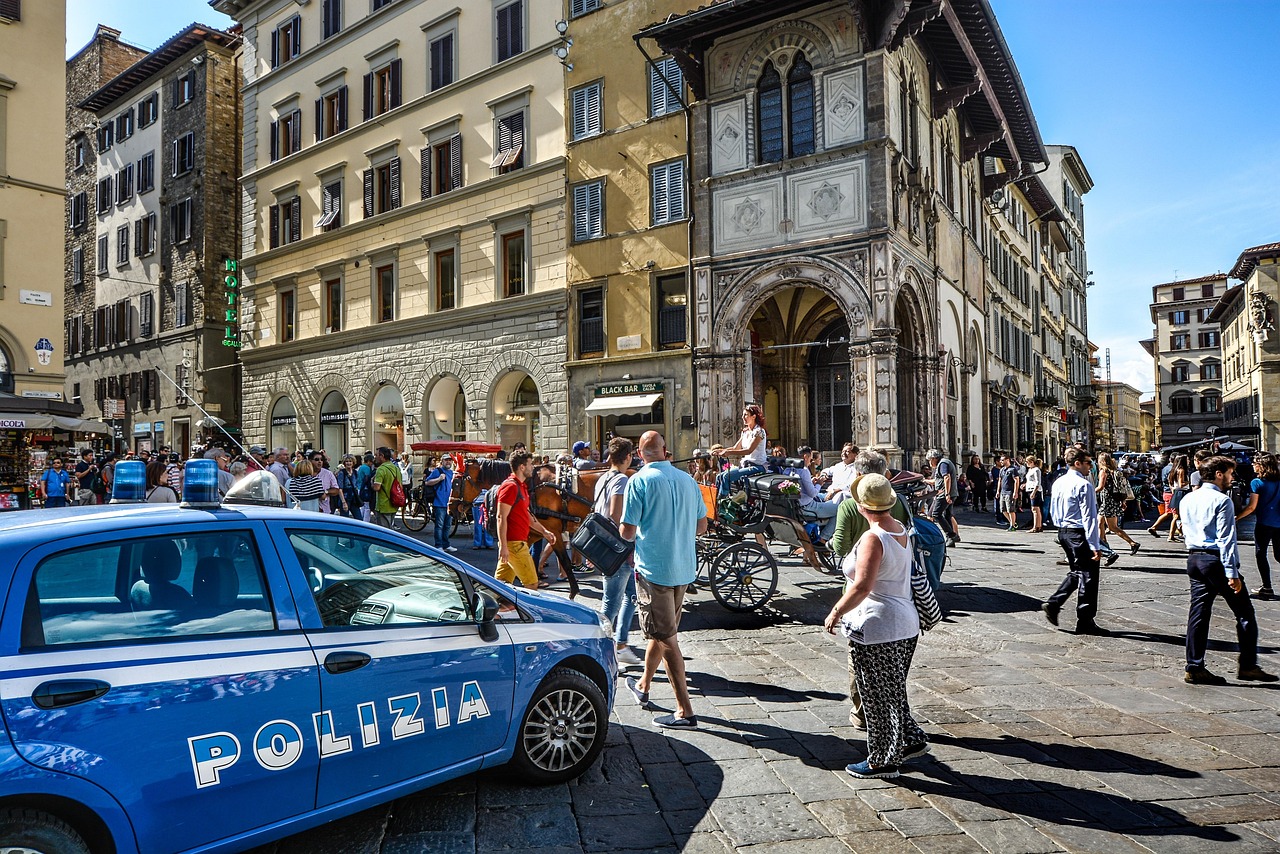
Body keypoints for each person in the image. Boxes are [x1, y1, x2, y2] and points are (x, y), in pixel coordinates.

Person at [823, 473, 928, 779]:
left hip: (878, 627)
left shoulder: (874, 537)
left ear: (861, 506)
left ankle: (883, 760)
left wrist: (836, 611)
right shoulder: (899, 529)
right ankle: (910, 738)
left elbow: (862, 586)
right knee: (892, 689)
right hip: (905, 623)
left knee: (876, 695)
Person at [621, 431, 708, 729]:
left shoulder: (639, 481)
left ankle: (685, 711)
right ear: (665, 450)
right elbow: (701, 527)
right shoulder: (688, 480)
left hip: (654, 569)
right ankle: (643, 684)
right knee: (663, 630)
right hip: (682, 568)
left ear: (639, 454)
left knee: (666, 637)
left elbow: (627, 532)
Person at [830, 449, 912, 730]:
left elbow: (841, 548)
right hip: (903, 604)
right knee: (892, 674)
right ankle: (898, 727)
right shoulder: (898, 506)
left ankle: (864, 716)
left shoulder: (849, 508)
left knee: (861, 665)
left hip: (867, 608)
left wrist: (836, 611)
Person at [1180, 455, 1276, 685]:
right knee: (1245, 612)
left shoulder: (1188, 499)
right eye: (1230, 473)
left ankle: (1194, 666)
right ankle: (1248, 666)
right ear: (1219, 474)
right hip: (1215, 561)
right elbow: (1226, 539)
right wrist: (1232, 573)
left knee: (1198, 615)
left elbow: (1185, 529)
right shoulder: (1222, 501)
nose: (1232, 478)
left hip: (1194, 558)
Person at [1042, 448, 1105, 635]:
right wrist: (1095, 544)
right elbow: (1089, 517)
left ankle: (1055, 603)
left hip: (1064, 531)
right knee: (1089, 575)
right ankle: (1085, 620)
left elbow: (1053, 509)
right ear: (1077, 463)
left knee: (1078, 571)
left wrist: (1060, 527)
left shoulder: (1059, 482)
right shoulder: (1084, 485)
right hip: (1078, 532)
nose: (1091, 466)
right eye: (1088, 463)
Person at [595, 437, 642, 666]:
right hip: (617, 549)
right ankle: (601, 650)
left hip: (604, 546)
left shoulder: (603, 478)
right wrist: (629, 544)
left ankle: (621, 644)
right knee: (610, 603)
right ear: (628, 457)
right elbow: (615, 514)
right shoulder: (622, 479)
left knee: (632, 595)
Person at [495, 450, 558, 590]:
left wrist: (544, 532)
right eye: (530, 464)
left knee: (501, 585)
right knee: (532, 584)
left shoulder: (521, 486)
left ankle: (495, 604)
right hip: (514, 544)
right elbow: (501, 517)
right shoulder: (510, 487)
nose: (533, 467)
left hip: (515, 543)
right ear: (522, 467)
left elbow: (528, 515)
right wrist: (503, 546)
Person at [1238, 452, 1280, 598]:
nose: (1252, 465)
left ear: (1261, 465)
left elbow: (1251, 507)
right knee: (1279, 555)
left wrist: (1237, 518)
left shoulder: (1256, 483)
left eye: (1255, 463)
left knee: (1261, 554)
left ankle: (1267, 587)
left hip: (1264, 523)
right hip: (1278, 523)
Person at [784, 446, 839, 543]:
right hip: (807, 505)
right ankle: (824, 537)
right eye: (810, 458)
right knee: (840, 509)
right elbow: (812, 493)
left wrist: (811, 482)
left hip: (796, 504)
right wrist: (819, 484)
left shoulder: (789, 469)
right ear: (806, 457)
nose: (811, 461)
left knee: (826, 496)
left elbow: (802, 486)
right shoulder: (804, 470)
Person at [713, 404, 768, 497]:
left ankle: (723, 501)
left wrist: (728, 452)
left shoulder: (759, 432)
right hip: (746, 465)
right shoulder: (745, 432)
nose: (743, 417)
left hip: (757, 466)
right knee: (719, 476)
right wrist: (720, 451)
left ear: (754, 416)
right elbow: (736, 448)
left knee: (726, 476)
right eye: (743, 415)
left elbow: (748, 450)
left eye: (746, 415)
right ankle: (715, 499)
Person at [1096, 452, 1139, 557]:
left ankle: (1132, 543)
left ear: (1101, 461)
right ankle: (1103, 546)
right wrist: (1123, 501)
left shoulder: (1103, 471)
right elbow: (1119, 487)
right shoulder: (1114, 471)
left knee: (1112, 527)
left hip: (1107, 502)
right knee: (1099, 523)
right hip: (1112, 501)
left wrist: (1090, 491)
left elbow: (1101, 487)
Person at [925, 449, 960, 547]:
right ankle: (951, 539)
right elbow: (937, 481)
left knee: (936, 514)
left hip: (944, 494)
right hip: (950, 493)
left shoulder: (943, 464)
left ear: (934, 458)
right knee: (947, 515)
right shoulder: (943, 463)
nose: (929, 463)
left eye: (929, 460)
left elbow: (947, 477)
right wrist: (925, 481)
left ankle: (951, 535)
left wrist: (947, 494)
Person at [425, 455, 458, 552]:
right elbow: (427, 482)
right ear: (442, 461)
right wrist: (439, 479)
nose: (448, 462)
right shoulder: (437, 471)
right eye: (446, 460)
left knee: (447, 526)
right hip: (439, 503)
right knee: (439, 526)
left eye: (450, 460)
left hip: (449, 504)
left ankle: (446, 544)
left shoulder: (452, 473)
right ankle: (438, 545)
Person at [370, 447, 401, 528]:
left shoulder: (381, 469)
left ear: (382, 456)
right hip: (394, 502)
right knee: (390, 529)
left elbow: (377, 488)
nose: (375, 457)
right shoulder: (396, 468)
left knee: (383, 531)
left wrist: (372, 482)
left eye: (376, 455)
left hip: (383, 505)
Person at [996, 455, 1021, 531]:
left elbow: (1016, 480)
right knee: (1003, 509)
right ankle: (1012, 522)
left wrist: (1015, 492)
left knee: (1010, 509)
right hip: (1003, 492)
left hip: (1010, 492)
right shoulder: (1002, 470)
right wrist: (998, 491)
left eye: (1002, 460)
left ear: (1007, 460)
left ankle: (1012, 526)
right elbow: (1000, 480)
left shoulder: (1013, 469)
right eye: (1000, 460)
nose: (1001, 461)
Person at [335, 455, 363, 519]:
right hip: (345, 497)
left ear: (353, 462)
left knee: (359, 518)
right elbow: (340, 489)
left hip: (354, 498)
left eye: (350, 461)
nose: (348, 463)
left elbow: (357, 485)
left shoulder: (355, 472)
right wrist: (343, 502)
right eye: (347, 461)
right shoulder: (341, 473)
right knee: (345, 519)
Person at [1023, 456, 1044, 532]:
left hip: (1035, 490)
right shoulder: (1030, 470)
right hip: (1030, 489)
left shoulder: (1036, 470)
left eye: (1027, 462)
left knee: (1035, 509)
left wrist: (1034, 492)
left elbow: (1038, 482)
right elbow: (1030, 480)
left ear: (1032, 462)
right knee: (1036, 509)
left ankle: (1035, 526)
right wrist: (1025, 484)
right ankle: (1038, 525)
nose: (1026, 463)